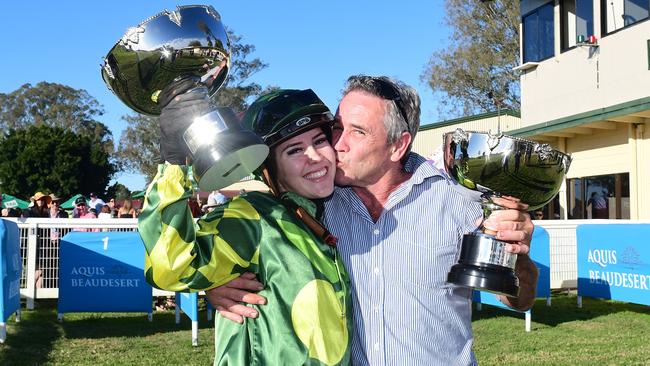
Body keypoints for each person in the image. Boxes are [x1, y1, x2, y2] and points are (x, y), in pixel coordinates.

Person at [208, 76, 536, 365]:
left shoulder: (458, 203)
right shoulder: (317, 209)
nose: (337, 143)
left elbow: (518, 299)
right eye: (337, 128)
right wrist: (220, 285)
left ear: (398, 146)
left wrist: (518, 258)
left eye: (358, 131)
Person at [139, 88, 352, 365]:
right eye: (294, 149)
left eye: (319, 141)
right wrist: (173, 162)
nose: (315, 156)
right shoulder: (252, 215)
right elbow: (169, 267)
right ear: (268, 168)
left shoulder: (329, 213)